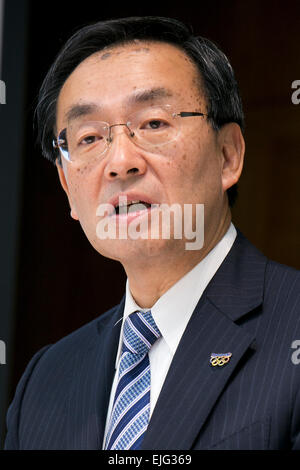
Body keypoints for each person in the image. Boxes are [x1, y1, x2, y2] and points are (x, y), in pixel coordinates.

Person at [4, 16, 300, 450]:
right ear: (68, 189)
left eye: (154, 124)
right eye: (88, 137)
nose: (121, 161)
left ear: (227, 155)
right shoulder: (47, 379)